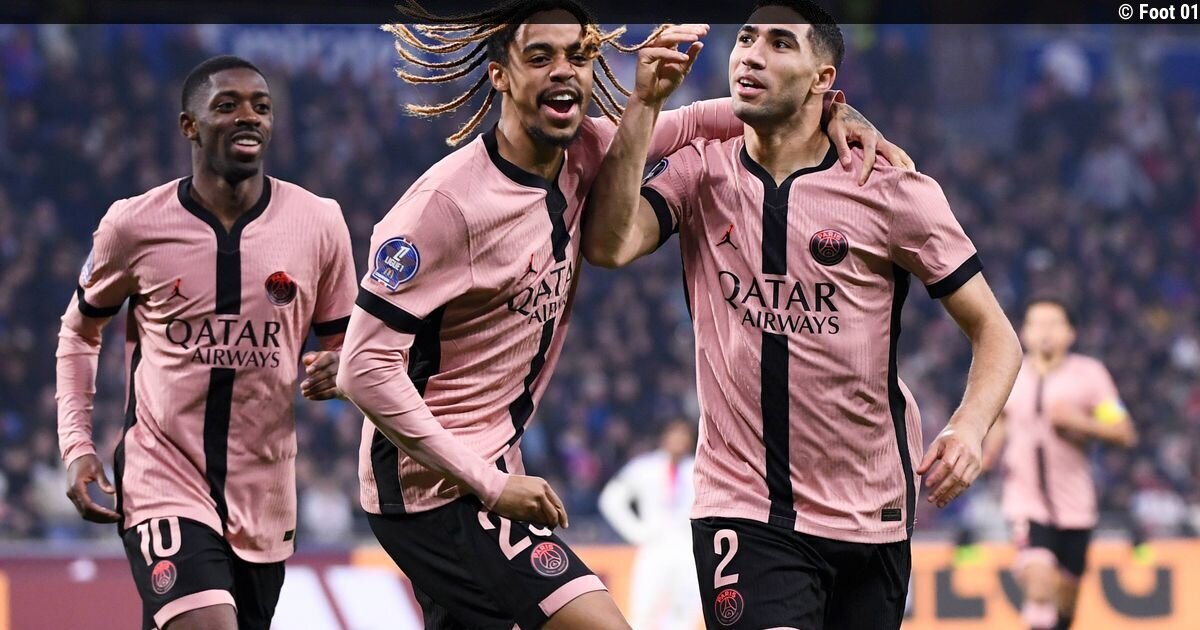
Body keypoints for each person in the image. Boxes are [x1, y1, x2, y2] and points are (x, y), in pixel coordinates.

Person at [336, 2, 906, 628]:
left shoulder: (586, 150)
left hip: (489, 467)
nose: (564, 70)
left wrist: (833, 110)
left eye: (579, 55)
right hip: (432, 488)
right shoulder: (444, 206)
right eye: (540, 56)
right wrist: (492, 485)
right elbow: (362, 370)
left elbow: (705, 119)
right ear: (499, 74)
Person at [583, 1, 1024, 628]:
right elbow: (609, 246)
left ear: (823, 78)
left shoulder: (888, 187)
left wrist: (969, 429)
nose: (751, 55)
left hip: (873, 510)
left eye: (780, 43)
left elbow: (996, 333)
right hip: (744, 505)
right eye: (746, 39)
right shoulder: (699, 168)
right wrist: (645, 104)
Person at [55, 55, 357, 630]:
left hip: (264, 494)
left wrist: (342, 371)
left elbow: (351, 349)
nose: (249, 117)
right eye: (227, 105)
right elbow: (80, 331)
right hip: (161, 475)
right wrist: (76, 445)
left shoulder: (320, 223)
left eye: (261, 107)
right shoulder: (133, 225)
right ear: (189, 126)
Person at [982, 298, 1137, 630]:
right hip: (1025, 502)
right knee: (1039, 585)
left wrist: (1080, 423)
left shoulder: (1090, 376)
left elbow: (1123, 433)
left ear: (1071, 333)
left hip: (1075, 505)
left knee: (1065, 606)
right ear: (1024, 332)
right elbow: (1002, 419)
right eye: (1037, 324)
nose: (1045, 332)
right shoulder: (1009, 373)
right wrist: (986, 455)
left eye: (1053, 324)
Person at [598, 420, 701, 630]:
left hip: (687, 547)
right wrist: (636, 532)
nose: (679, 440)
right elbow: (611, 499)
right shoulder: (644, 467)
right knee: (642, 608)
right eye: (675, 434)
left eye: (684, 435)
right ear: (664, 437)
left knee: (684, 613)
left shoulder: (698, 469)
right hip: (654, 546)